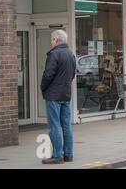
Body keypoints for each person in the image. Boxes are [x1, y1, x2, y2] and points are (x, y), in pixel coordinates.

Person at [41, 30, 76, 164]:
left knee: (54, 125)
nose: (51, 42)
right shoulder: (70, 54)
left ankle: (57, 155)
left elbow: (48, 75)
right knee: (66, 125)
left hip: (53, 95)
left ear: (56, 40)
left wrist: (43, 87)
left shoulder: (54, 54)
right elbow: (72, 74)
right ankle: (69, 154)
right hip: (66, 94)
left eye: (52, 40)